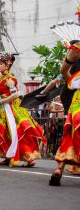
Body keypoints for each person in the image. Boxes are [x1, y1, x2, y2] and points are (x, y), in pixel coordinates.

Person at [0, 52, 46, 167]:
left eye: (1, 63)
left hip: (12, 108)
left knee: (17, 132)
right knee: (4, 132)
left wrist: (0, 101)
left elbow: (15, 95)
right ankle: (7, 156)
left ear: (7, 65)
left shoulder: (9, 79)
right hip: (5, 109)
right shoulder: (2, 78)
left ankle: (29, 158)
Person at [49, 44, 80, 185]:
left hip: (76, 103)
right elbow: (58, 78)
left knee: (69, 134)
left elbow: (62, 75)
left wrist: (68, 60)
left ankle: (59, 168)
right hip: (73, 97)